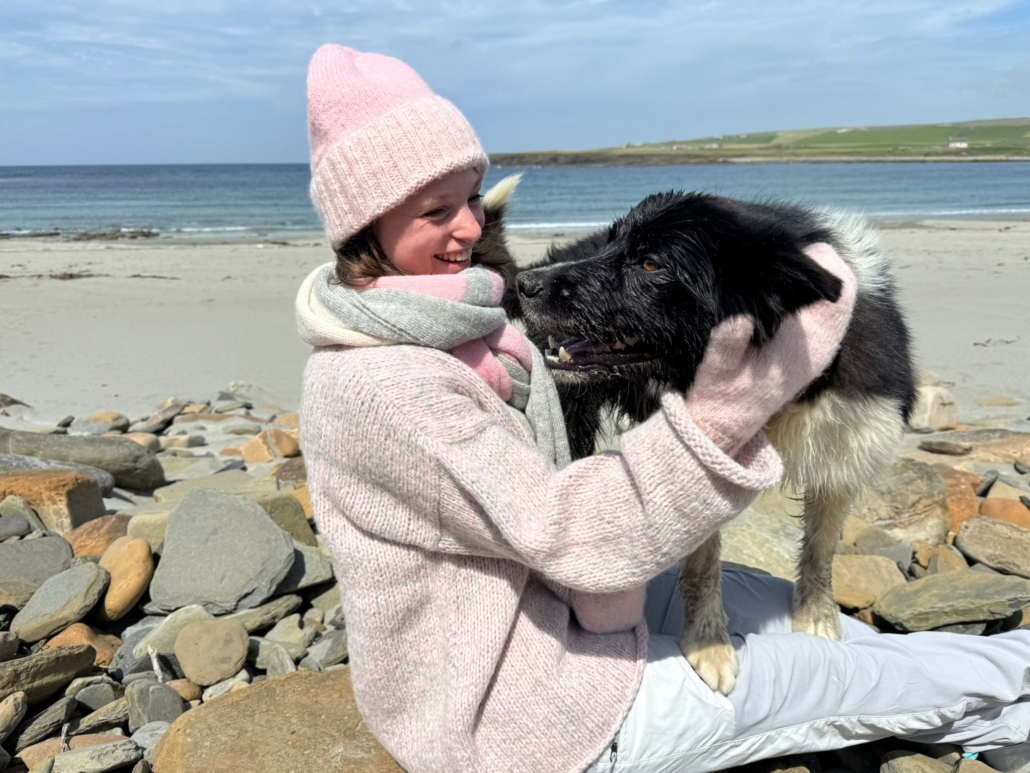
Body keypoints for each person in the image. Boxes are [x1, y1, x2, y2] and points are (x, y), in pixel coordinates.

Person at [296, 44, 1030, 773]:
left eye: (470, 199)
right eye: (436, 210)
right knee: (839, 679)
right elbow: (574, 533)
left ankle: (996, 721)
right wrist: (723, 413)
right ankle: (1015, 674)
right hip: (524, 715)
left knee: (785, 609)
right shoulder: (387, 388)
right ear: (364, 225)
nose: (466, 228)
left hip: (555, 612)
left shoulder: (451, 330)